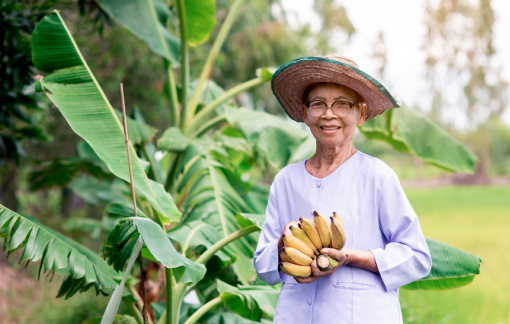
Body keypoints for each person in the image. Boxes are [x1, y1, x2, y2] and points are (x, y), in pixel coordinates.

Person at [253, 55, 432, 323]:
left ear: (360, 114)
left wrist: (350, 257)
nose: (328, 114)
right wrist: (284, 244)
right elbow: (262, 266)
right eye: (318, 104)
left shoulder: (377, 177)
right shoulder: (285, 181)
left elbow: (417, 257)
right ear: (305, 114)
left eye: (341, 104)